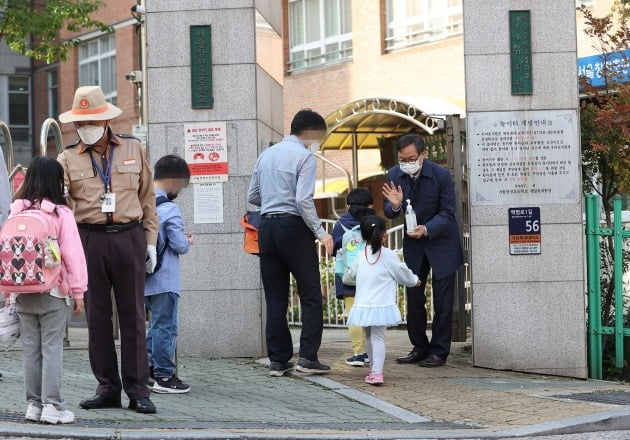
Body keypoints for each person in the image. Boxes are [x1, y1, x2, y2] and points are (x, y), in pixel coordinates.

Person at [57, 86, 158, 413]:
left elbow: (148, 199)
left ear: (104, 119)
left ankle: (138, 390)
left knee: (133, 317)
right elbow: (62, 206)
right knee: (97, 319)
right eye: (79, 123)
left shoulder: (132, 147)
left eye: (91, 121)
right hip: (88, 240)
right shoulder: (67, 157)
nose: (85, 128)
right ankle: (107, 388)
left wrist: (151, 241)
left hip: (129, 236)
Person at [247, 109, 334, 377]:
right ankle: (307, 358)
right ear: (310, 132)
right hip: (293, 227)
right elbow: (303, 200)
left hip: (267, 228)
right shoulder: (305, 157)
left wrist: (273, 202)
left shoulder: (266, 155)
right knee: (310, 294)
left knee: (275, 297)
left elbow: (253, 195)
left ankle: (278, 360)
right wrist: (322, 233)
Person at [4, 157, 87, 423]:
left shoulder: (16, 211)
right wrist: (78, 292)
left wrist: (9, 294)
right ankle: (53, 406)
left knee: (31, 349)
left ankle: (33, 405)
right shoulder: (60, 213)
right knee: (51, 349)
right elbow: (73, 255)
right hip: (52, 291)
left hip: (22, 292)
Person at [382, 134, 463, 368]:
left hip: (441, 243)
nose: (406, 162)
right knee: (414, 297)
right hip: (414, 246)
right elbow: (389, 210)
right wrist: (395, 204)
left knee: (443, 301)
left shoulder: (440, 175)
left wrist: (427, 229)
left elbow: (448, 212)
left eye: (411, 158)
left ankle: (439, 351)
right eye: (401, 159)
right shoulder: (394, 174)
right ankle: (419, 346)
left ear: (423, 155)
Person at [347, 215, 421, 385]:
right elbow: (402, 273)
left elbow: (351, 273)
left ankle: (373, 370)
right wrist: (414, 280)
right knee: (378, 337)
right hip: (381, 305)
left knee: (369, 336)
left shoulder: (360, 254)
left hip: (364, 305)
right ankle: (377, 373)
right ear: (384, 235)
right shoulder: (388, 255)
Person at [145, 155, 193, 394]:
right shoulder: (169, 208)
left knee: (154, 327)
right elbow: (178, 244)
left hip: (143, 277)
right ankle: (164, 375)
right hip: (164, 278)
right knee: (166, 327)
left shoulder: (141, 202)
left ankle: (149, 370)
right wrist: (188, 241)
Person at [332, 188, 375, 367]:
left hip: (347, 276)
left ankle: (358, 353)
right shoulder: (373, 223)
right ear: (370, 205)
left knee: (354, 315)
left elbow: (335, 250)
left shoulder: (340, 224)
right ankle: (372, 353)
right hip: (370, 275)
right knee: (370, 315)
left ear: (348, 205)